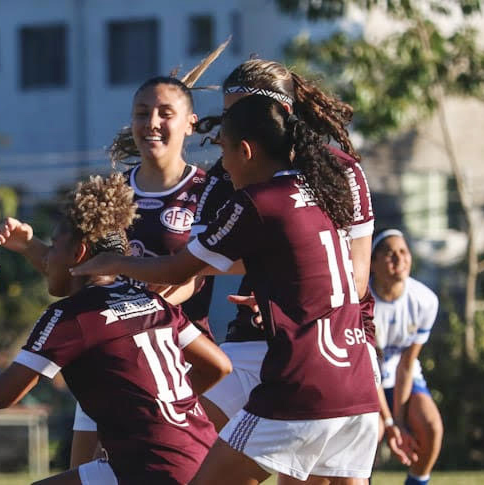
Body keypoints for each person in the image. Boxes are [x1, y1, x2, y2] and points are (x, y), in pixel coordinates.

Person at [72, 94, 379, 484]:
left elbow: (177, 267)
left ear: (246, 151)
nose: (222, 167)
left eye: (224, 152)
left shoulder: (258, 202)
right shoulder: (319, 193)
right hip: (358, 386)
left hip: (303, 388)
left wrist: (113, 262)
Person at [0, 74, 221, 468]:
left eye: (165, 113)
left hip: (177, 359)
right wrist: (30, 247)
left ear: (190, 123)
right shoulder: (112, 193)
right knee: (86, 472)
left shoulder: (208, 192)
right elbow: (75, 270)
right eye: (141, 113)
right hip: (109, 361)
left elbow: (197, 274)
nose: (151, 122)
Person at [0, 173, 232, 484]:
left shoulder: (71, 316)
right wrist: (162, 406)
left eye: (54, 247)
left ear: (78, 254)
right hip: (203, 458)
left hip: (154, 468)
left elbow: (2, 395)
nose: (48, 257)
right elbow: (218, 366)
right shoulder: (151, 301)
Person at [370, 229, 443, 485]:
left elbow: (406, 364)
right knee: (371, 433)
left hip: (403, 379)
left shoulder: (425, 300)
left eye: (403, 252)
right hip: (366, 381)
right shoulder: (360, 302)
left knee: (432, 426)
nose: (399, 259)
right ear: (373, 262)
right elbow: (368, 369)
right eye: (389, 253)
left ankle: (417, 481)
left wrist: (399, 421)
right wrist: (389, 423)